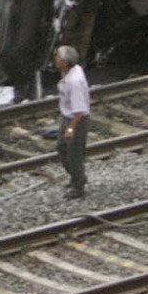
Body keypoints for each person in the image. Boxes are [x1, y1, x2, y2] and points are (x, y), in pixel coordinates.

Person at [54, 44, 89, 199]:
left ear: (65, 63)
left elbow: (80, 110)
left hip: (76, 119)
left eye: (58, 57)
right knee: (61, 147)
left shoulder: (74, 82)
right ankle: (77, 177)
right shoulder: (69, 71)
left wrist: (70, 129)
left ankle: (78, 186)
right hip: (67, 116)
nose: (55, 59)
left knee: (74, 154)